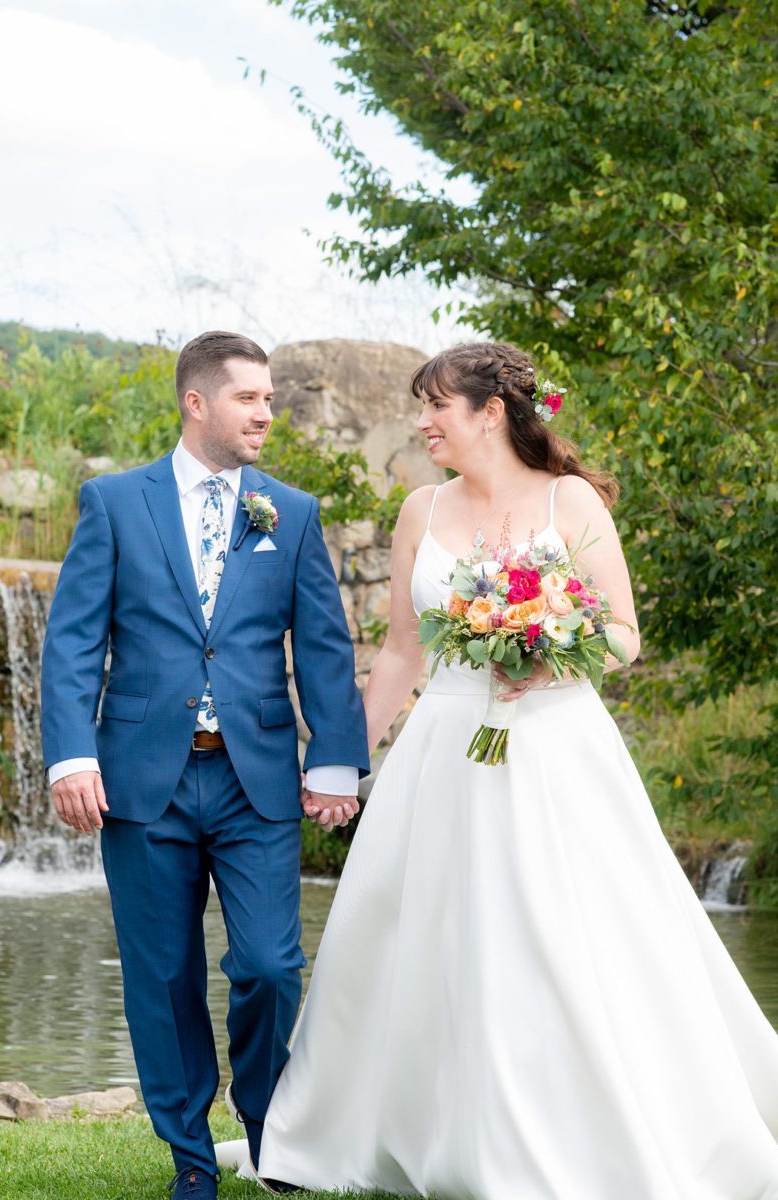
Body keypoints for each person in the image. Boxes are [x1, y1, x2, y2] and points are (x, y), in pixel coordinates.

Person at [217, 342, 778, 1198]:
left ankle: (577, 1134)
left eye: (436, 406)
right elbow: (403, 653)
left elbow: (623, 634)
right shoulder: (419, 509)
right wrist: (338, 761)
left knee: (561, 937)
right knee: (415, 934)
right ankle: (371, 1127)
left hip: (556, 749)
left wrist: (555, 654)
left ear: (490, 412)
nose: (422, 422)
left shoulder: (570, 499)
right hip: (443, 746)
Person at [40, 330, 370, 1200]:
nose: (267, 412)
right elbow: (73, 641)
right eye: (250, 398)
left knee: (267, 965)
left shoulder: (289, 513)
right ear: (196, 403)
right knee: (165, 975)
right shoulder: (114, 503)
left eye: (269, 398)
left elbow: (326, 648)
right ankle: (191, 1156)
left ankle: (269, 1137)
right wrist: (70, 755)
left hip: (253, 777)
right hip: (140, 778)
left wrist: (335, 759)